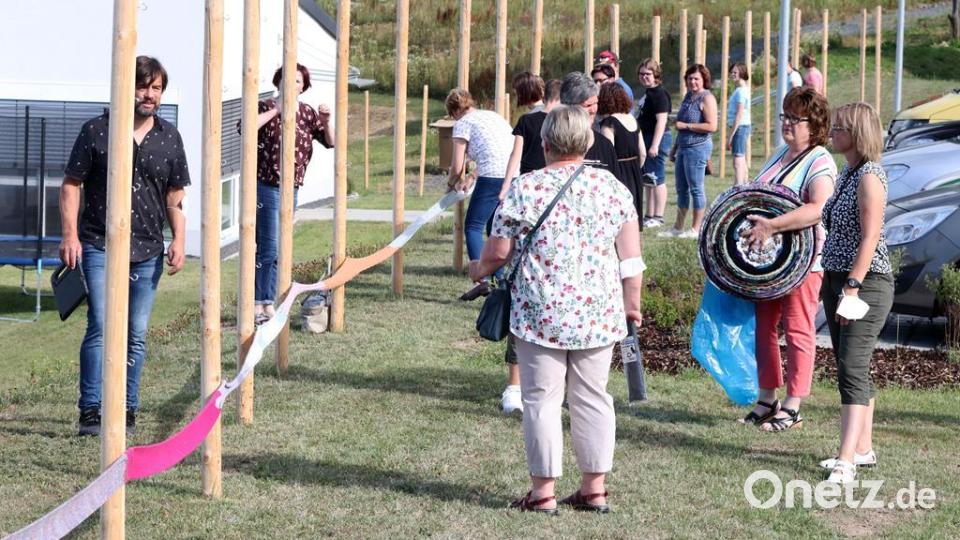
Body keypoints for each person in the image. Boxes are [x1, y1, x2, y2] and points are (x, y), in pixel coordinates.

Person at [468, 105, 643, 514]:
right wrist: (631, 305)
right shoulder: (614, 188)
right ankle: (594, 489)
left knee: (542, 400)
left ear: (544, 143)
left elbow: (497, 253)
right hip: (598, 311)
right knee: (593, 397)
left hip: (540, 311)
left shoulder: (526, 189)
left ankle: (543, 493)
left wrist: (477, 269)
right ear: (587, 142)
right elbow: (631, 258)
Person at [59, 56, 190, 436]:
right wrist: (69, 236)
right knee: (100, 325)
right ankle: (91, 410)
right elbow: (71, 185)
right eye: (142, 86)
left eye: (156, 88)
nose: (149, 95)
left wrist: (179, 239)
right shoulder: (97, 131)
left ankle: (127, 408)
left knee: (136, 332)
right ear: (124, 86)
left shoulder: (169, 137)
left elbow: (174, 195)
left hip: (148, 250)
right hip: (99, 243)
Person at [739, 87, 837, 432]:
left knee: (798, 329)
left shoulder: (820, 160)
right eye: (785, 116)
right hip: (767, 263)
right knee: (763, 328)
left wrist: (773, 225)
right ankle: (768, 399)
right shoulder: (780, 153)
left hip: (803, 263)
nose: (788, 123)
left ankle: (794, 405)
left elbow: (817, 209)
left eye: (797, 119)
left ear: (816, 124)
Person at [819, 102, 893, 483]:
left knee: (851, 365)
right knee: (853, 365)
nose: (833, 132)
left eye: (839, 128)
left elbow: (870, 237)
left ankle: (846, 459)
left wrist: (851, 287)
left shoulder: (870, 177)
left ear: (857, 133)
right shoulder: (849, 173)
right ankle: (862, 449)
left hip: (865, 284)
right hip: (836, 279)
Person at [250, 63, 333, 325]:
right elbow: (245, 127)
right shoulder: (265, 106)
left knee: (278, 247)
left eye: (298, 81)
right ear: (278, 82)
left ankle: (267, 301)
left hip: (292, 188)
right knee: (268, 246)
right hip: (267, 184)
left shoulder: (306, 113)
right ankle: (259, 303)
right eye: (288, 79)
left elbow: (329, 141)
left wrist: (326, 122)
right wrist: (276, 110)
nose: (292, 84)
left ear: (303, 86)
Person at [497, 76, 561, 415]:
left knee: (521, 291)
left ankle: (515, 385)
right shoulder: (562, 122)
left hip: (529, 199)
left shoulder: (526, 122)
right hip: (555, 202)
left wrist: (506, 188)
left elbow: (516, 158)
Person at [445, 88, 514, 302]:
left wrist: (450, 184)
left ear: (454, 111)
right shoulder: (492, 116)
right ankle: (500, 280)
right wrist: (472, 176)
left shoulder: (463, 123)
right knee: (496, 227)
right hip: (513, 174)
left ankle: (480, 278)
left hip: (492, 177)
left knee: (473, 226)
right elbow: (496, 151)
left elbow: (457, 166)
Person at [661, 64, 717, 239]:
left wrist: (686, 126)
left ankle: (696, 228)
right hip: (683, 148)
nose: (693, 82)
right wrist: (674, 148)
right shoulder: (688, 97)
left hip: (698, 148)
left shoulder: (707, 98)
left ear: (703, 80)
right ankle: (678, 227)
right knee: (681, 189)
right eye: (690, 78)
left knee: (696, 189)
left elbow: (712, 126)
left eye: (696, 79)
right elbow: (680, 126)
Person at [598, 83, 646, 227]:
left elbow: (608, 153)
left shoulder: (609, 123)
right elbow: (642, 152)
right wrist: (635, 169)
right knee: (632, 217)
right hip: (635, 171)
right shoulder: (632, 119)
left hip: (618, 172)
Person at [559, 72, 620, 180]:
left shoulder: (604, 145)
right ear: (568, 106)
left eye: (595, 103)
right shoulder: (553, 142)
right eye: (587, 105)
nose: (593, 110)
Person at [635, 58, 672, 229]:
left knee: (658, 177)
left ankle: (658, 216)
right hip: (646, 137)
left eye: (648, 74)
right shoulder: (648, 93)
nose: (644, 77)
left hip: (657, 138)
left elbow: (661, 121)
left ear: (656, 75)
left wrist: (655, 145)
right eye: (641, 74)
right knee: (648, 178)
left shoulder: (659, 94)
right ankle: (649, 214)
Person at [727, 62, 752, 185]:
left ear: (742, 73)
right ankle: (745, 184)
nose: (732, 74)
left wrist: (730, 136)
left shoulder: (741, 91)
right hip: (742, 126)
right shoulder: (741, 90)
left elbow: (739, 113)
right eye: (732, 72)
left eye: (735, 72)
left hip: (740, 127)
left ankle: (738, 186)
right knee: (741, 158)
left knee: (738, 159)